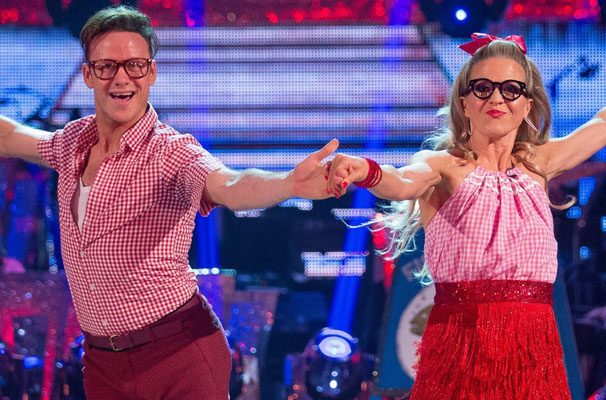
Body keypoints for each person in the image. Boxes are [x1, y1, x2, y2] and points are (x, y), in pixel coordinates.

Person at [0, 5, 338, 400]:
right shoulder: (72, 142)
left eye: (135, 65)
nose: (121, 78)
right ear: (88, 74)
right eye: (107, 66)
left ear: (152, 73)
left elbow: (230, 184)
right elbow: (10, 136)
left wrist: (289, 183)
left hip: (178, 354)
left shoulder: (171, 153)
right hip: (103, 363)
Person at [327, 33, 606, 399]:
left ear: (527, 104)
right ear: (464, 103)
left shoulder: (540, 163)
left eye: (510, 89)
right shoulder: (442, 165)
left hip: (534, 353)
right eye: (483, 88)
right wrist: (366, 170)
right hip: (461, 349)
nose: (496, 98)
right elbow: (401, 181)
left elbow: (601, 124)